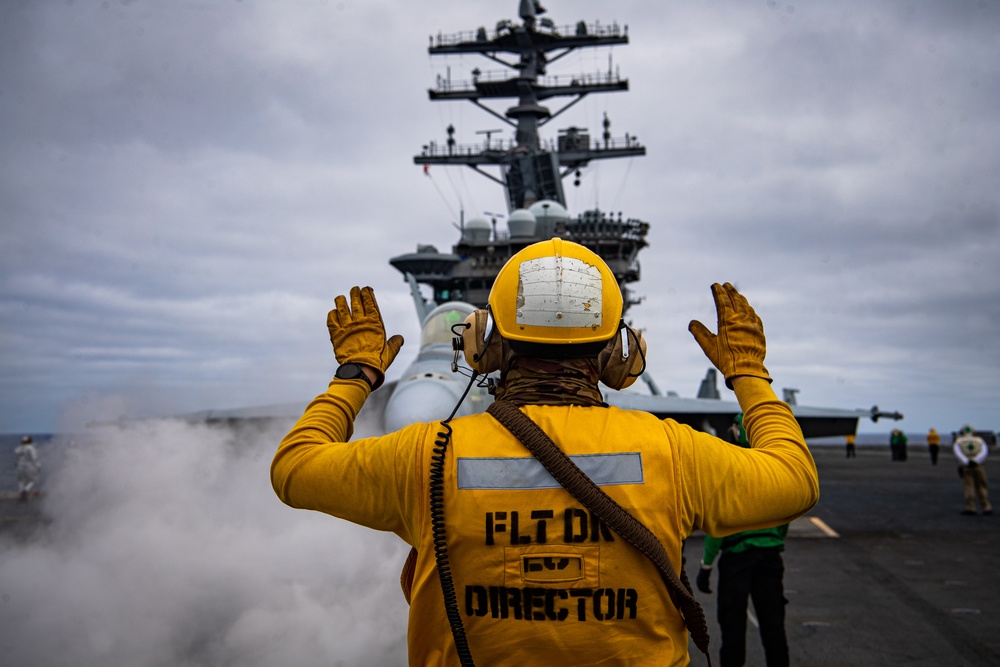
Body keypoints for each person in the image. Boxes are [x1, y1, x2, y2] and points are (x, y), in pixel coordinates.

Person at [271, 239, 820, 666]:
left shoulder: (426, 456)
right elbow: (796, 480)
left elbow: (294, 469)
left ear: (485, 344)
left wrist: (355, 375)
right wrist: (748, 373)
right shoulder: (672, 451)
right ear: (618, 354)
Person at [696, 414, 790, 667]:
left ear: (738, 433)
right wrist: (770, 537)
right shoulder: (774, 468)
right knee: (774, 627)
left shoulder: (728, 469)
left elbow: (717, 523)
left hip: (736, 560)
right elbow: (786, 515)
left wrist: (706, 565)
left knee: (732, 627)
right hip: (770, 558)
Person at [953, 425, 992, 516]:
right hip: (978, 465)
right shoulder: (980, 440)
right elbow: (984, 452)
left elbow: (958, 454)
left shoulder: (958, 441)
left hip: (966, 467)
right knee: (982, 486)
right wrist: (976, 460)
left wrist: (967, 461)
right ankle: (986, 506)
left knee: (969, 487)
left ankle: (971, 507)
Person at [14, 435, 40, 501]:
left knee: (20, 481)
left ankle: (22, 495)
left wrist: (16, 465)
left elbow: (15, 460)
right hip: (29, 466)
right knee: (33, 481)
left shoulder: (18, 449)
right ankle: (26, 491)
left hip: (19, 467)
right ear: (30, 441)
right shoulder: (31, 448)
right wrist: (38, 466)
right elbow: (34, 459)